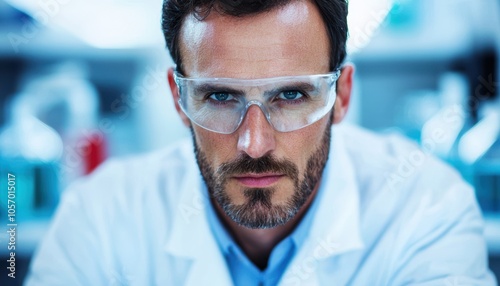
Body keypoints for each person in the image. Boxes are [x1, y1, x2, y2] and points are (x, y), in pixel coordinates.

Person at [26, 0, 496, 285]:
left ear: (342, 95)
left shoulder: (427, 210)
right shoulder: (100, 218)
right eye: (221, 95)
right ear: (178, 98)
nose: (254, 142)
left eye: (291, 95)